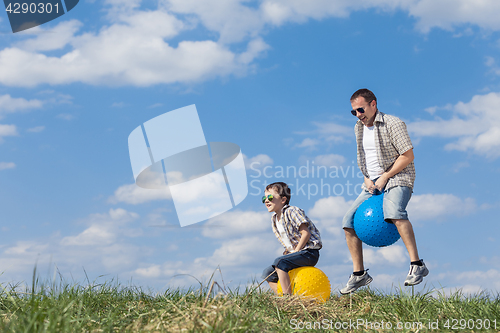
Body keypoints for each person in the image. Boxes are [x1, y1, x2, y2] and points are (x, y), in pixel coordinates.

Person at [340, 88, 429, 295]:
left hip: (398, 177)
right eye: (353, 112)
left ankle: (417, 265)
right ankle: (359, 274)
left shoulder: (393, 123)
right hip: (371, 183)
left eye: (360, 109)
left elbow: (407, 156)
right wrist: (367, 179)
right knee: (348, 222)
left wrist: (385, 177)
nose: (358, 115)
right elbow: (365, 159)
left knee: (394, 213)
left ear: (373, 104)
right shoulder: (358, 128)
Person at [261, 182, 322, 294]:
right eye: (264, 198)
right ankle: (280, 297)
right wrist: (289, 253)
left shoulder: (292, 211)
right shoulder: (274, 219)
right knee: (267, 273)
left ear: (283, 200)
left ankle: (287, 298)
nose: (266, 200)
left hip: (309, 252)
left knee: (279, 263)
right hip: (297, 253)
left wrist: (296, 251)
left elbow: (306, 233)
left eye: (270, 197)